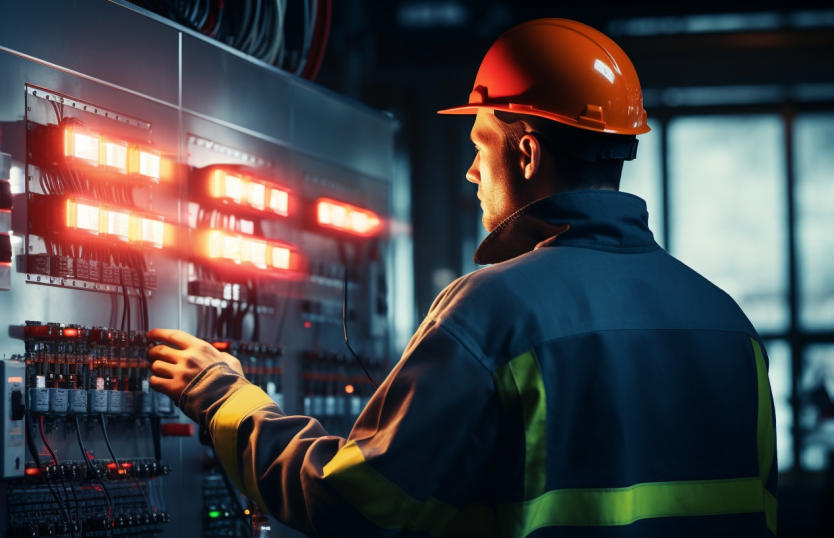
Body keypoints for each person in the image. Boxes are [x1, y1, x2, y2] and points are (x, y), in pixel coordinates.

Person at [148, 18, 778, 537]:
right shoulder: (731, 325)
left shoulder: (495, 311)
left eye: (480, 146)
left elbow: (354, 505)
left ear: (526, 151)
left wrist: (226, 398)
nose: (471, 174)